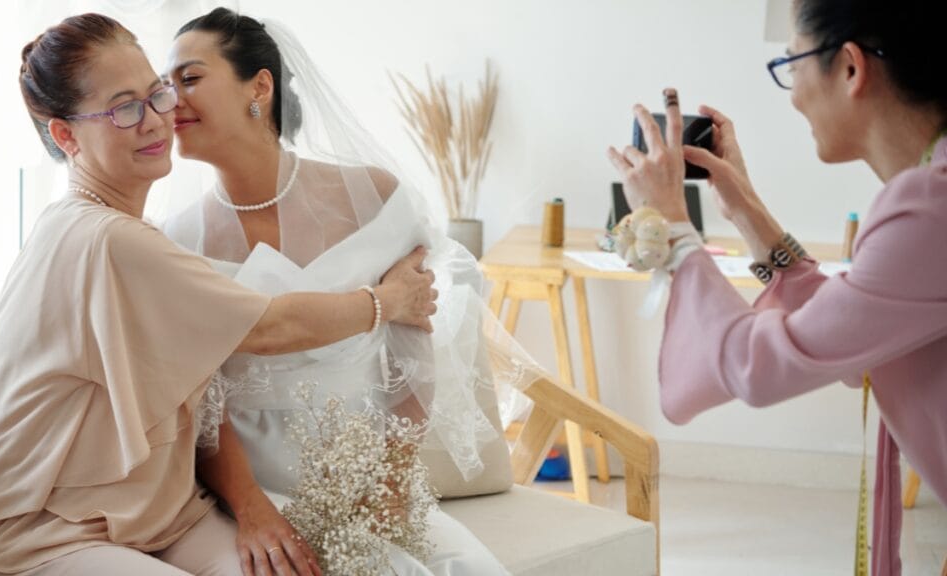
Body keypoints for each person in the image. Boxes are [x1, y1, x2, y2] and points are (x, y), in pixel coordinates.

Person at [0, 13, 436, 576]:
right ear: (65, 136)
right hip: (42, 533)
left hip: (160, 520)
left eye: (154, 94)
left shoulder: (126, 235)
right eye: (123, 108)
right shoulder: (104, 238)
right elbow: (269, 328)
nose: (158, 119)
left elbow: (204, 390)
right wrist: (388, 301)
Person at [161, 8, 537, 576]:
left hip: (370, 475)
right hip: (252, 491)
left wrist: (390, 482)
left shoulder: (371, 198)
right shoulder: (174, 243)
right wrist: (252, 508)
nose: (171, 101)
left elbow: (411, 348)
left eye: (189, 78)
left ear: (258, 87)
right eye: (165, 87)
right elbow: (200, 406)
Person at [606, 0, 947, 574]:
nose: (791, 96)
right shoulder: (929, 193)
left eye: (792, 64)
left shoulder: (927, 210)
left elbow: (759, 367)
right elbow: (843, 334)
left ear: (849, 68)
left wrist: (674, 228)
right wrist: (746, 211)